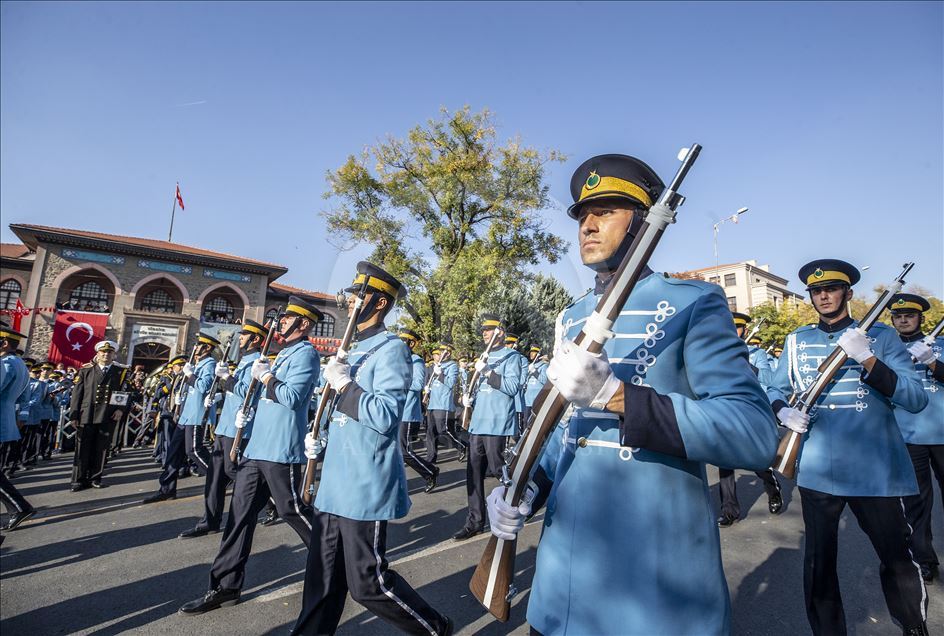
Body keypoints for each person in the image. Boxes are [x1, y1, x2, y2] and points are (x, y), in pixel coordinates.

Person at [485, 153, 780, 635]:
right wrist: (524, 490)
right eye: (583, 214)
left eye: (606, 212)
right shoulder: (571, 317)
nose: (589, 225)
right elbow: (564, 433)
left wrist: (616, 396)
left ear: (643, 223)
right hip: (564, 582)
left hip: (653, 581)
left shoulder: (694, 303)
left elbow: (752, 432)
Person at [766, 259, 928, 635]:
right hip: (818, 470)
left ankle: (913, 627)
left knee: (897, 559)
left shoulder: (881, 337)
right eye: (816, 291)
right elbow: (774, 388)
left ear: (848, 293)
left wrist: (867, 358)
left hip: (875, 471)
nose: (823, 295)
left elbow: (915, 398)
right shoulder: (796, 340)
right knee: (819, 564)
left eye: (831, 289)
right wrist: (782, 411)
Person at [291, 262, 452, 636]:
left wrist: (345, 386)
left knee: (368, 584)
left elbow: (384, 415)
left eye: (358, 294)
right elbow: (339, 414)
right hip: (334, 481)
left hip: (363, 482)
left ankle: (434, 628)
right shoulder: (353, 348)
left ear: (379, 302)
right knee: (321, 583)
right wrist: (319, 438)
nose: (350, 301)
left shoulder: (392, 349)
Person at [180, 297, 320, 615]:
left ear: (305, 324)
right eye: (282, 318)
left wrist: (267, 378)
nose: (281, 322)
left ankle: (334, 560)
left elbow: (294, 398)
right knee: (239, 517)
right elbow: (249, 394)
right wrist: (242, 382)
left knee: (293, 511)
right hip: (257, 447)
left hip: (281, 448)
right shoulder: (282, 353)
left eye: (288, 318)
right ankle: (226, 586)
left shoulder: (306, 354)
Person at [179, 320, 267, 539]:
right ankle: (210, 520)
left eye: (245, 334)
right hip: (224, 426)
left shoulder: (256, 361)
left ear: (255, 339)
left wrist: (227, 378)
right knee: (215, 476)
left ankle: (270, 498)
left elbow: (247, 393)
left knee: (233, 471)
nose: (240, 337)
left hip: (239, 429)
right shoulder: (243, 361)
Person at [888, 293, 944, 584]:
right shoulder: (890, 350)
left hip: (943, 433)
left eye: (909, 315)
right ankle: (925, 560)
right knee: (917, 504)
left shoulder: (940, 345)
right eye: (898, 316)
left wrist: (932, 361)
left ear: (921, 317)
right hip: (908, 436)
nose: (904, 320)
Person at [454, 314, 523, 541]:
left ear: (500, 332)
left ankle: (515, 505)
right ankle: (474, 521)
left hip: (497, 423)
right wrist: (467, 398)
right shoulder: (484, 356)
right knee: (473, 475)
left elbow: (512, 387)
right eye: (482, 329)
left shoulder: (512, 357)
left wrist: (488, 372)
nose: (484, 332)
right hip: (478, 424)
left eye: (489, 329)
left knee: (498, 470)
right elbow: (477, 389)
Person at [717, 311, 783, 527]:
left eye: (737, 327)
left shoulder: (757, 353)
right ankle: (729, 510)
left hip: (751, 410)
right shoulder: (718, 352)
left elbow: (768, 378)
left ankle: (772, 488)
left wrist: (745, 362)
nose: (733, 331)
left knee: (757, 459)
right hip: (727, 409)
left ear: (744, 329)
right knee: (724, 460)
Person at [67, 340, 130, 490]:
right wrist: (74, 415)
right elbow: (77, 394)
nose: (106, 354)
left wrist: (120, 409)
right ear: (98, 353)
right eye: (103, 352)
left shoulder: (120, 372)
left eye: (109, 352)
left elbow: (122, 392)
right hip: (86, 413)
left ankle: (95, 478)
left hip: (107, 414)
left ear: (114, 354)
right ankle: (78, 479)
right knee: (82, 448)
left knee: (101, 448)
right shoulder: (86, 370)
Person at [0, 326, 35, 531]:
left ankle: (19, 507)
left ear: (5, 343)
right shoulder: (18, 363)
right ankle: (19, 507)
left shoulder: (5, 363)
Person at [397, 329, 440, 493]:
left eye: (403, 341)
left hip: (407, 412)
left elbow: (417, 385)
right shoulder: (397, 360)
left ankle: (430, 471)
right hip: (394, 411)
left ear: (411, 343)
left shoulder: (416, 361)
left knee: (404, 450)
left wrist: (396, 381)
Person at [178, 333, 221, 478]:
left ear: (207, 347)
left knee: (194, 449)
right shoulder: (198, 363)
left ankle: (217, 476)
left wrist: (190, 375)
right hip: (188, 413)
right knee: (189, 449)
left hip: (197, 413)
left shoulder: (209, 364)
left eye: (198, 344)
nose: (195, 347)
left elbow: (204, 386)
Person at [425, 343, 466, 463]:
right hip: (433, 403)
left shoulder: (452, 366)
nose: (443, 354)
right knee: (430, 432)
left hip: (443, 404)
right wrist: (428, 389)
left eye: (446, 352)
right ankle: (431, 458)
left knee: (444, 430)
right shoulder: (436, 365)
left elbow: (450, 383)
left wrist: (440, 374)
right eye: (441, 352)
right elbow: (432, 382)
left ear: (449, 354)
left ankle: (462, 446)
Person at [523, 345, 548, 421]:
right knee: (525, 423)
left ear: (538, 354)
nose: (531, 354)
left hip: (537, 401)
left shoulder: (544, 366)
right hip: (527, 401)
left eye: (533, 352)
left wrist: (535, 372)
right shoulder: (530, 366)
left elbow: (545, 381)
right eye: (531, 352)